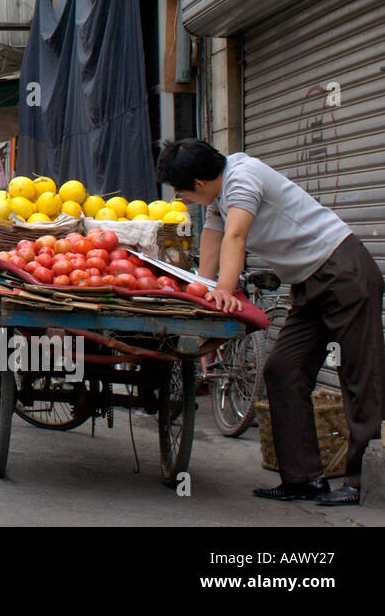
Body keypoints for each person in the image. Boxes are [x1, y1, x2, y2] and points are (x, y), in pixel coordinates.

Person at [158, 139, 383, 507]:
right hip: (310, 283)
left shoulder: (243, 179)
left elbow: (236, 235)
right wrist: (203, 288)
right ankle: (304, 478)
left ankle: (363, 481)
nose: (182, 199)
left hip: (344, 272)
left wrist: (226, 290)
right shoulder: (216, 194)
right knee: (283, 371)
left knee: (360, 377)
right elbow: (214, 239)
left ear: (197, 184)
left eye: (182, 192)